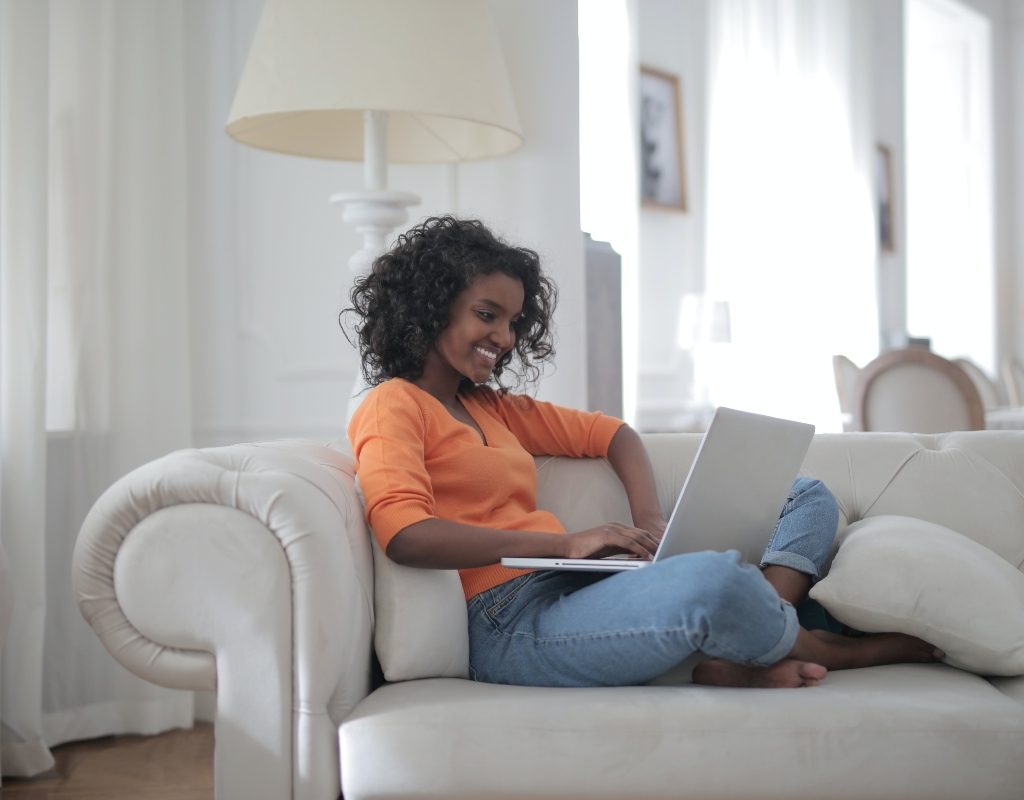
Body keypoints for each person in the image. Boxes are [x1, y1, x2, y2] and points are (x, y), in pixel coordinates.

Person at [343, 215, 941, 689]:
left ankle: (744, 643)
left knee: (804, 492)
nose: (504, 337)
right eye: (487, 315)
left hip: (573, 590)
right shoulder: (391, 405)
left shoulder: (491, 407)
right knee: (711, 578)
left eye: (514, 322)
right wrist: (561, 544)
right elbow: (406, 535)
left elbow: (616, 435)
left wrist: (651, 521)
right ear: (430, 303)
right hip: (506, 624)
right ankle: (810, 643)